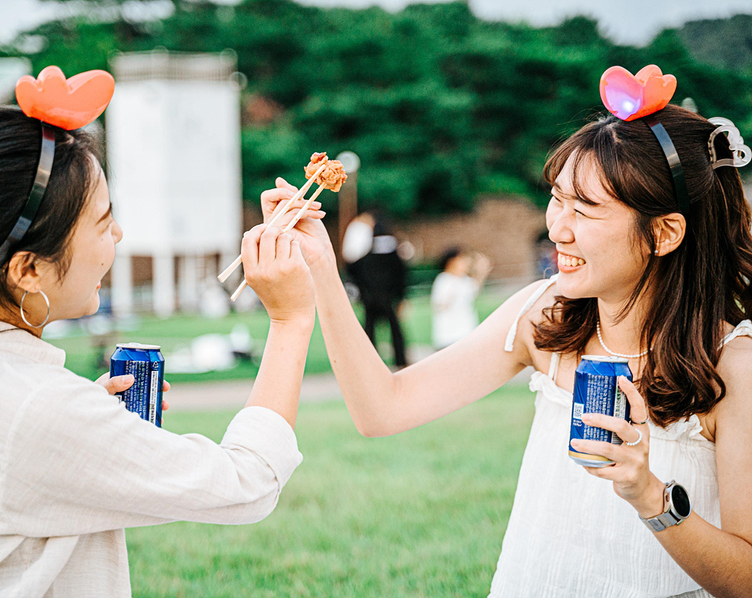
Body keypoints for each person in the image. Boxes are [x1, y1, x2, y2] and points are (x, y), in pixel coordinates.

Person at [258, 65, 752, 596]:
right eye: (558, 197)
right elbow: (383, 409)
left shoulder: (733, 365)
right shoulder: (544, 317)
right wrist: (322, 267)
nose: (557, 226)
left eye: (585, 208)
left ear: (664, 232)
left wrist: (651, 496)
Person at [0, 68, 322, 597]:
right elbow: (248, 483)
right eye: (102, 221)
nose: (118, 235)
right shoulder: (32, 408)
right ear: (27, 269)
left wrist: (85, 421)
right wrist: (290, 319)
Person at [342, 211, 409, 367]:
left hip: (370, 297)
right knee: (395, 329)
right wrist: (400, 295)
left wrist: (361, 292)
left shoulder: (367, 250)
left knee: (369, 330)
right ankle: (400, 360)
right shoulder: (393, 251)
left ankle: (369, 362)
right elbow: (401, 274)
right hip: (388, 297)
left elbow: (353, 268)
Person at [431, 247, 492, 349]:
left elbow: (475, 289)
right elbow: (440, 305)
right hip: (449, 337)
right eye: (462, 260)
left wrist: (481, 271)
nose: (467, 263)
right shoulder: (443, 280)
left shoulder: (465, 280)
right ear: (452, 262)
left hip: (466, 333)